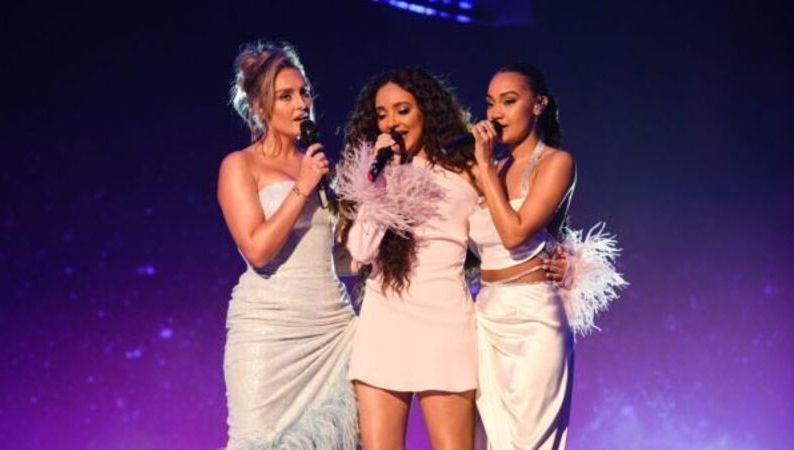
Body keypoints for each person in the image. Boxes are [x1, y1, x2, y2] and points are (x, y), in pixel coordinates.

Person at [469, 62, 626, 450]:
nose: (496, 113)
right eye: (490, 103)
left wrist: (484, 169)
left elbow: (515, 233)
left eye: (509, 101)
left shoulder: (556, 162)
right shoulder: (489, 170)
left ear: (538, 104)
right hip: (485, 316)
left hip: (534, 317)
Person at [217, 41, 357, 449]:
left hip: (331, 328)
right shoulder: (240, 165)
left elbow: (335, 258)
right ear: (260, 108)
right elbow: (257, 250)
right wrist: (302, 188)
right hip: (269, 329)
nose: (301, 105)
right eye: (286, 96)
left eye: (304, 93)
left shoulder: (318, 166)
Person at [335, 67, 481, 450]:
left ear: (426, 111)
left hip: (445, 322)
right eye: (382, 114)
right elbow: (361, 250)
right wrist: (385, 177)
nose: (392, 122)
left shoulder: (466, 171)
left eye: (402, 110)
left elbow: (499, 235)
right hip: (384, 320)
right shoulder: (377, 173)